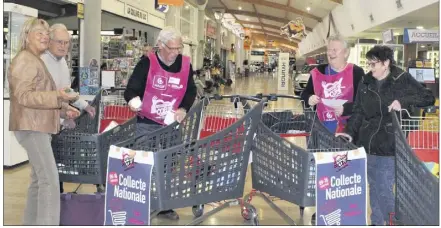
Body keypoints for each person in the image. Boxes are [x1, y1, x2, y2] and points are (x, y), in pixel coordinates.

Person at [336, 45, 435, 225]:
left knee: (384, 187)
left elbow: (428, 97)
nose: (370, 68)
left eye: (374, 64)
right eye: (369, 64)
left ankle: (394, 221)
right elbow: (358, 110)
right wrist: (349, 132)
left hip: (391, 143)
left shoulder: (401, 78)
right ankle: (376, 222)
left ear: (386, 63)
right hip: (368, 143)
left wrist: (402, 101)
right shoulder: (366, 82)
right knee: (374, 186)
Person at [8, 18, 80, 225]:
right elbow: (24, 96)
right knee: (49, 179)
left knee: (39, 181)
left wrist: (64, 110)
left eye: (46, 33)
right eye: (39, 32)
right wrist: (57, 96)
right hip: (32, 127)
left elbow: (39, 96)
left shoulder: (33, 59)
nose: (44, 36)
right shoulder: (25, 60)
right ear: (26, 35)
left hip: (36, 124)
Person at [124, 26, 197, 220]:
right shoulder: (146, 63)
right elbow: (130, 90)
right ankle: (143, 203)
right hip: (146, 123)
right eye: (171, 48)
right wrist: (134, 102)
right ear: (160, 46)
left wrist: (183, 109)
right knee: (143, 164)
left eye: (178, 48)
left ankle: (164, 205)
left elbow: (191, 90)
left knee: (168, 164)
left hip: (171, 124)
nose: (175, 53)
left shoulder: (185, 64)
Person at [41, 23, 96, 193]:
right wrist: (64, 113)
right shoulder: (42, 62)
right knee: (45, 172)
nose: (63, 46)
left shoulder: (62, 62)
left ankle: (56, 202)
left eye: (66, 43)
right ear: (49, 41)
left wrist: (84, 105)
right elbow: (43, 98)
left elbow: (66, 91)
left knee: (55, 166)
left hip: (56, 124)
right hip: (41, 125)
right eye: (59, 42)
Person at [300, 35, 365, 134]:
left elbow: (363, 102)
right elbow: (304, 94)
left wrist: (346, 109)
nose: (330, 53)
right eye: (329, 50)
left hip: (347, 131)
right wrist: (309, 98)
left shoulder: (356, 72)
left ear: (346, 52)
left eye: (335, 50)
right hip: (321, 131)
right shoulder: (318, 72)